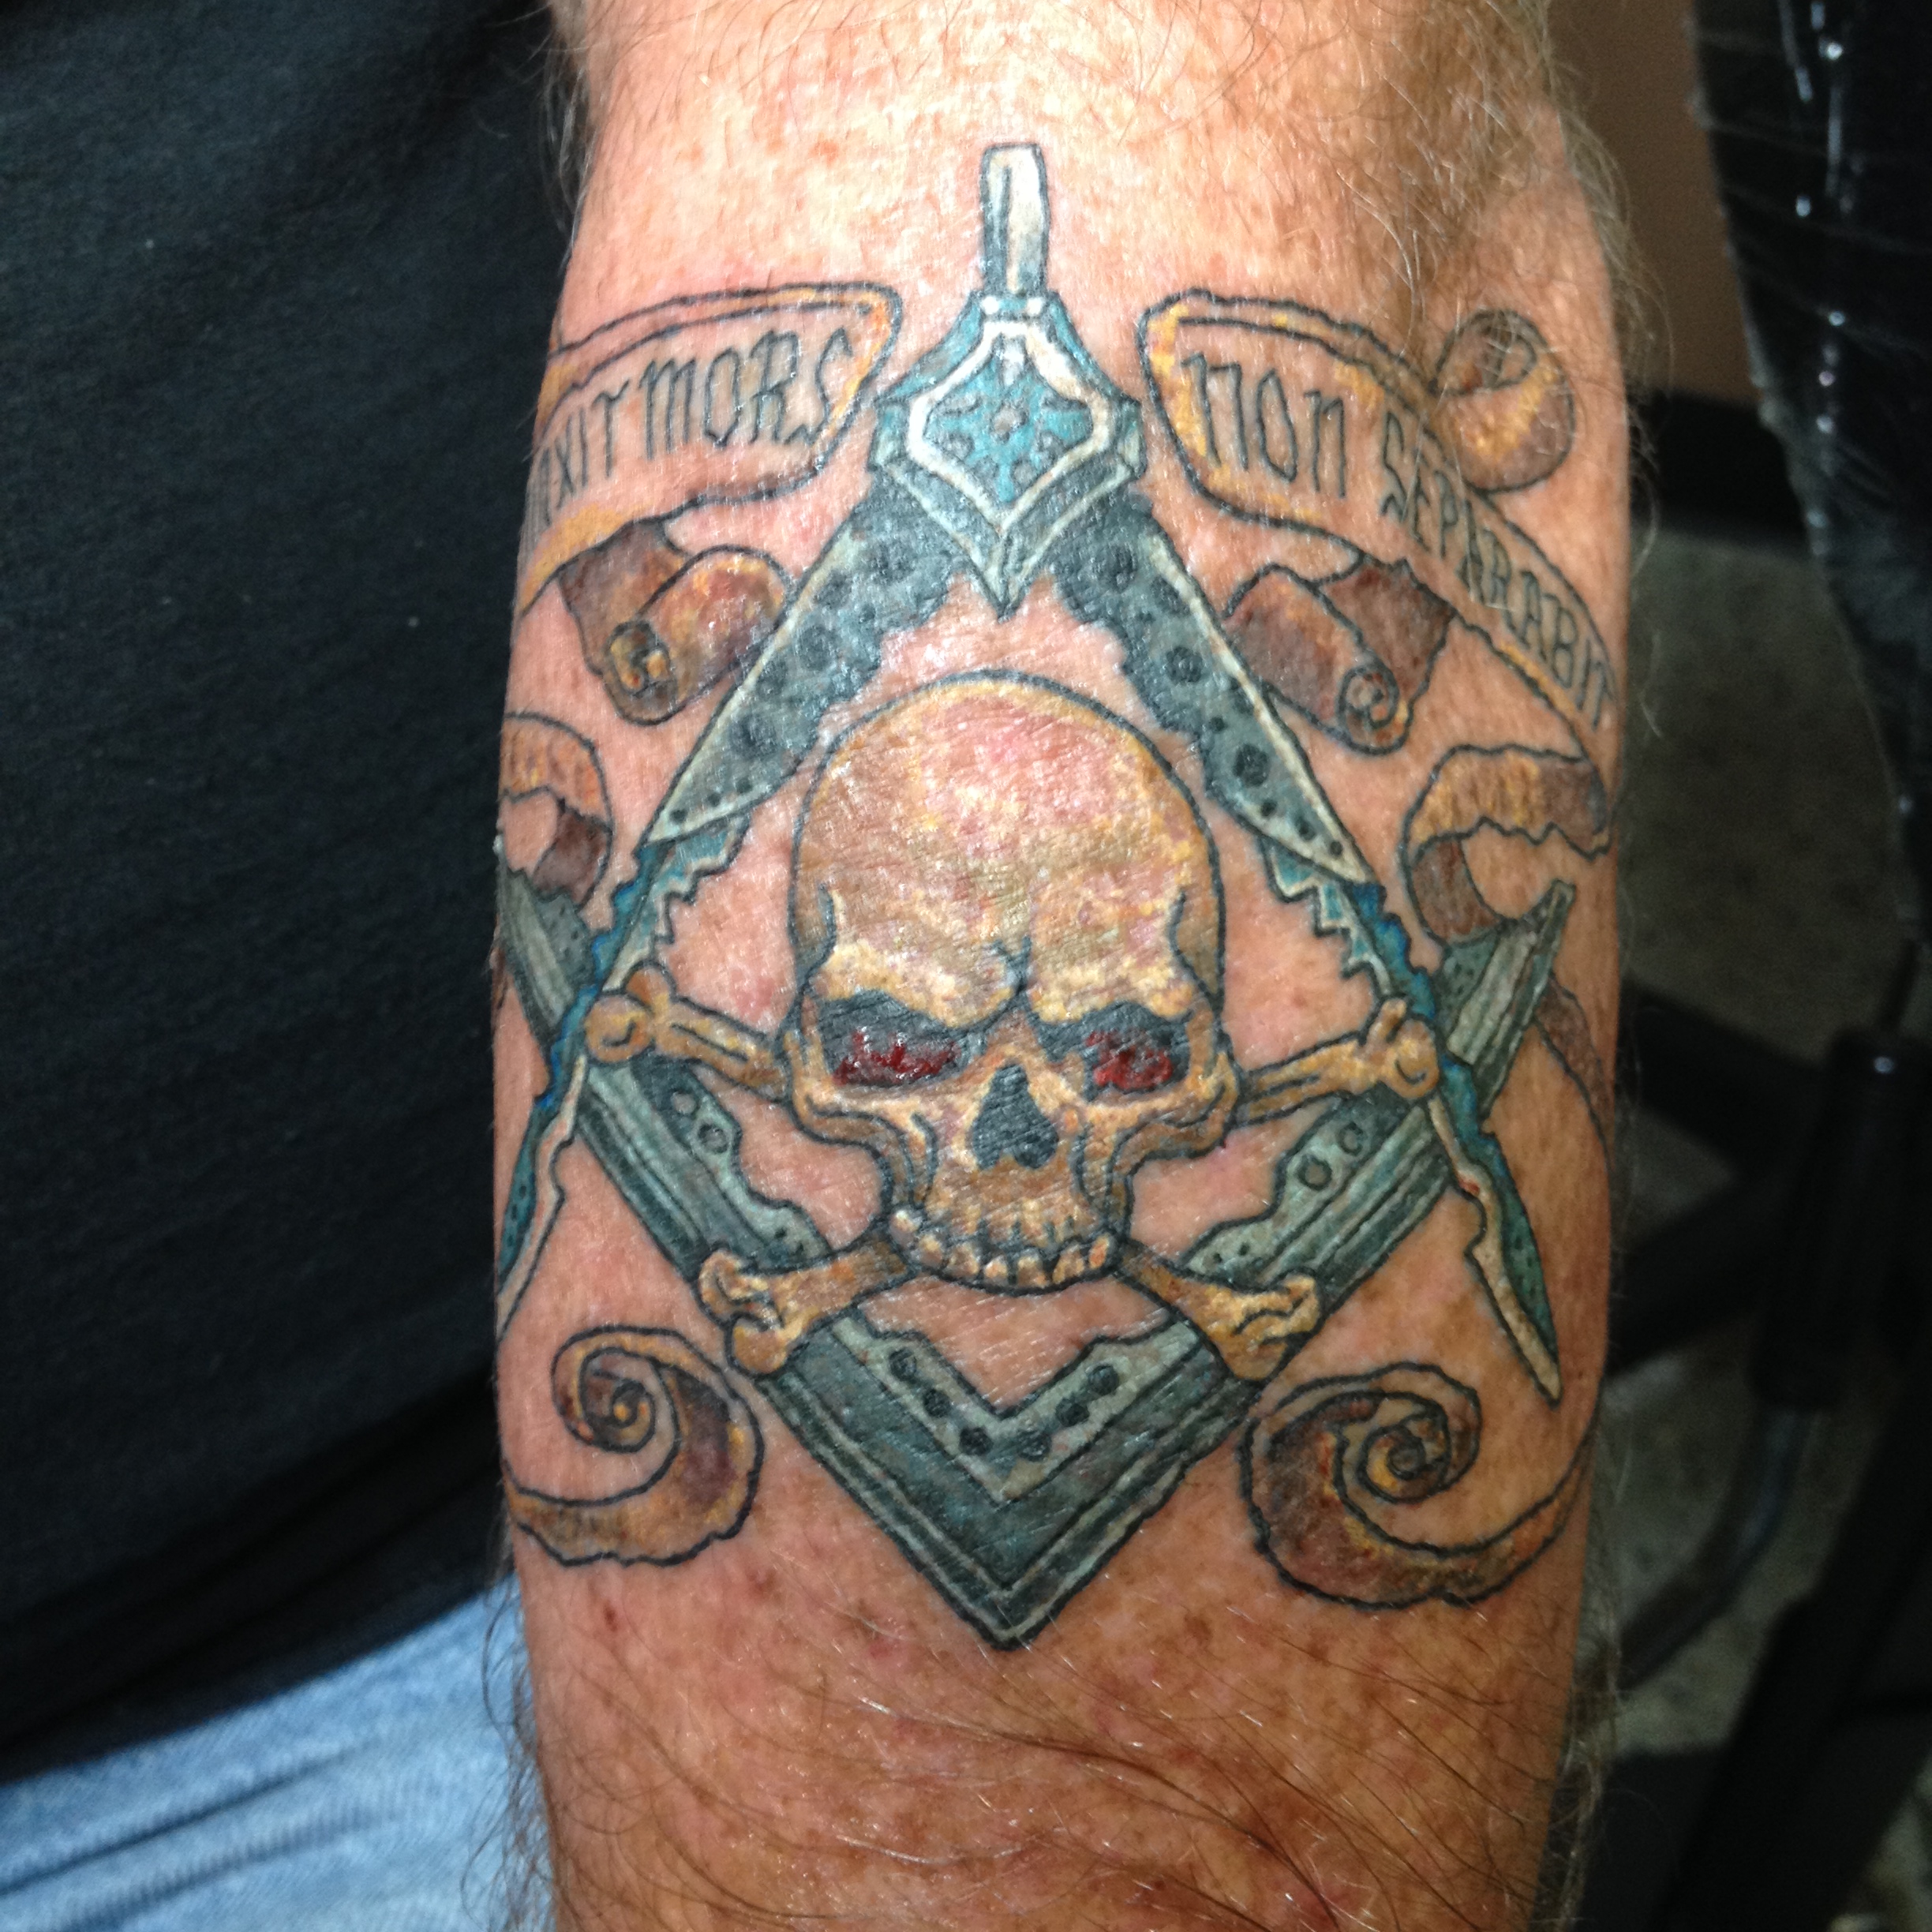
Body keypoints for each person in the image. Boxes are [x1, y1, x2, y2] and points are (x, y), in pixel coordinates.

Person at [3, 1, 1627, 1926]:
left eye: (1122, 1056)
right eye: (900, 1050)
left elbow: (1076, 75)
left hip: (424, 1612)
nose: (1007, 1160)